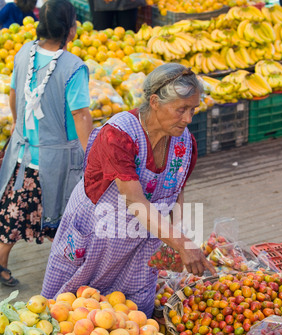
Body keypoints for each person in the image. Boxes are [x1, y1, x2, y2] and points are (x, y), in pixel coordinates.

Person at [41, 63, 217, 317]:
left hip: (141, 243)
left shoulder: (185, 142)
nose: (188, 119)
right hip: (97, 236)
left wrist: (176, 237)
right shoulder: (119, 134)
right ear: (155, 101)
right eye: (181, 110)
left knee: (130, 321)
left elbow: (177, 191)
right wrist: (180, 243)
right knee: (69, 312)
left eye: (193, 110)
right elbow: (134, 199)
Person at [0, 0, 93, 287]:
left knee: (13, 214)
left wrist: (17, 125)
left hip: (23, 156)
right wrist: (91, 152)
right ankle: (69, 273)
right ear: (71, 30)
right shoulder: (74, 67)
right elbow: (80, 115)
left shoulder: (24, 52)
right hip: (59, 164)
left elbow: (14, 94)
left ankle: (0, 264)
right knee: (68, 217)